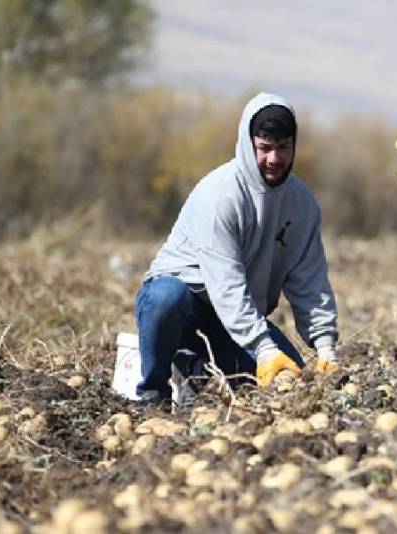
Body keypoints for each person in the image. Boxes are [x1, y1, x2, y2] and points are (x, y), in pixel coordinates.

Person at [133, 92, 340, 402]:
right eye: (264, 148)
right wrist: (264, 347)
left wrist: (326, 348)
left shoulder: (302, 204)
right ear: (248, 144)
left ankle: (191, 364)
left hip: (229, 318)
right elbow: (225, 284)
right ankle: (153, 392)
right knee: (166, 297)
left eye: (283, 148)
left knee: (290, 378)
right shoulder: (221, 196)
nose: (274, 159)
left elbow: (310, 281)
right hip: (185, 301)